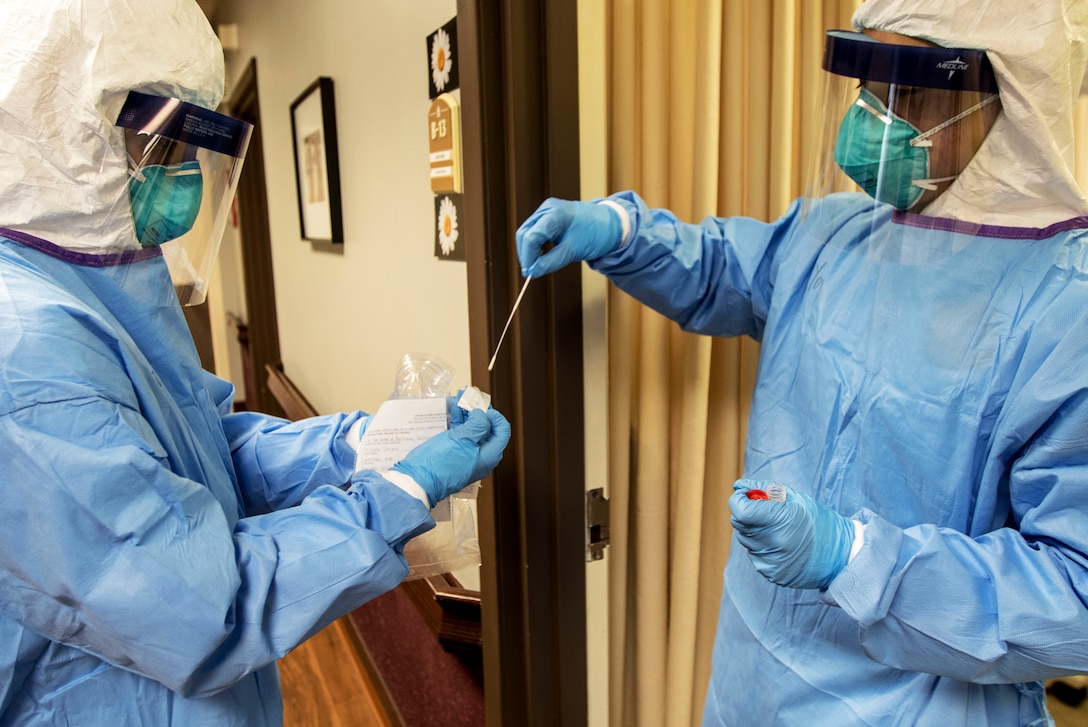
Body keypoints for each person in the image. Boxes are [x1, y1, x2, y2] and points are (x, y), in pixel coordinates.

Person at [516, 1, 1088, 724]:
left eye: (907, 91)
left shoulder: (1066, 309)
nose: (875, 117)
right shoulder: (841, 232)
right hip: (752, 677)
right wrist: (620, 231)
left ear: (1011, 98)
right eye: (867, 83)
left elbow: (1074, 595)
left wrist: (855, 559)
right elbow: (725, 268)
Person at [0, 1, 510, 724]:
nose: (182, 179)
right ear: (60, 140)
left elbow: (199, 445)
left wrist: (354, 445)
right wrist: (394, 490)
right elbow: (205, 606)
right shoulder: (23, 352)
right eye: (163, 148)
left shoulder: (105, 274)